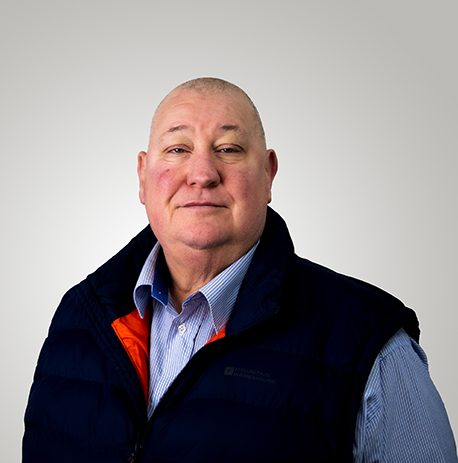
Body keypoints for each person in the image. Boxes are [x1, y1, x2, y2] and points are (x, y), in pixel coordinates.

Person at [23, 77, 457, 462]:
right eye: (178, 149)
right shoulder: (77, 319)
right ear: (142, 176)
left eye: (228, 149)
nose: (202, 173)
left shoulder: (369, 342)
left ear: (268, 174)